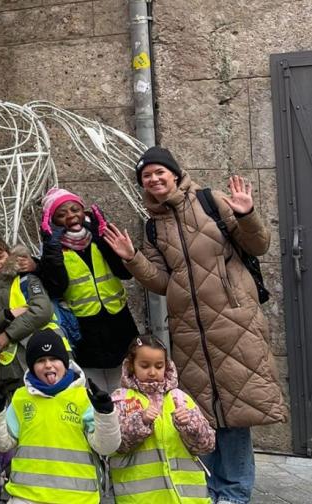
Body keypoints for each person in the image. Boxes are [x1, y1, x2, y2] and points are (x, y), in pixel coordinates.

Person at [103, 146, 286, 504]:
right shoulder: (153, 227)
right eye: (146, 176)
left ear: (175, 173)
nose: (154, 179)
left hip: (234, 323)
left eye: (160, 172)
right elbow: (161, 283)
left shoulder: (210, 201)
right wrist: (134, 259)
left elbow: (259, 245)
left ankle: (233, 493)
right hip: (189, 331)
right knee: (203, 409)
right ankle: (210, 489)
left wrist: (247, 214)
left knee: (233, 412)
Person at [0, 329, 121, 504]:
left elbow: (106, 447)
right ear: (32, 367)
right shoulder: (21, 397)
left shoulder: (84, 398)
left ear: (65, 362)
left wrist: (105, 413)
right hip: (26, 496)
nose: (48, 365)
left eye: (54, 359)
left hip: (77, 498)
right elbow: (4, 443)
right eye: (41, 360)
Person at [36, 188, 139, 392]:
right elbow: (56, 288)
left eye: (75, 209)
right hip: (84, 327)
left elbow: (125, 273)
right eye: (61, 214)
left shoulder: (100, 236)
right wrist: (52, 249)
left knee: (127, 381)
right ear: (53, 221)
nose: (71, 216)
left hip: (118, 320)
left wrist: (104, 239)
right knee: (95, 387)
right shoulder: (53, 249)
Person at [110, 334, 215, 503]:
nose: (152, 372)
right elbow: (113, 446)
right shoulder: (120, 400)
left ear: (167, 366)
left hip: (187, 497)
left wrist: (191, 425)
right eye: (144, 366)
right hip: (141, 498)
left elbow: (207, 444)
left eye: (159, 366)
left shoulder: (180, 398)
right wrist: (140, 422)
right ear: (130, 366)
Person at [0, 234, 62, 396]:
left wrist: (8, 334)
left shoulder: (26, 280)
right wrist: (9, 314)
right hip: (12, 369)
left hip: (48, 356)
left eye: (0, 257)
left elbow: (42, 311)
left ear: (9, 254)